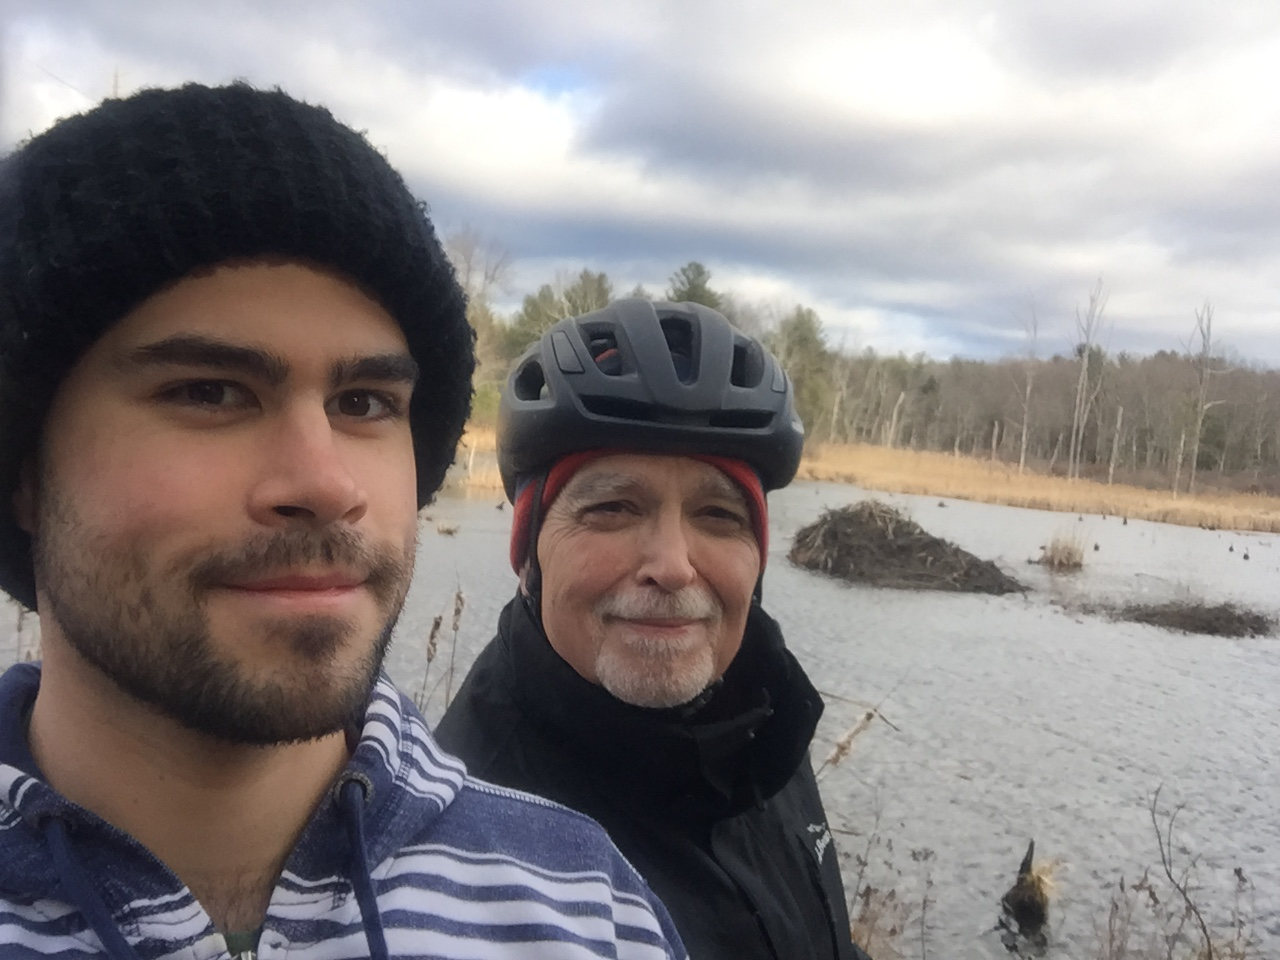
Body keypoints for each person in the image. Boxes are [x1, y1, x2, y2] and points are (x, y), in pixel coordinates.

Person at [0, 83, 686, 960]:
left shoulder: (582, 910)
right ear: (24, 471)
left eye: (364, 400)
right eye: (209, 392)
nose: (325, 483)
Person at [436, 299, 870, 959]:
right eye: (612, 507)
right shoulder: (463, 864)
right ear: (528, 552)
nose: (672, 565)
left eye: (718, 515)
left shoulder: (761, 720)